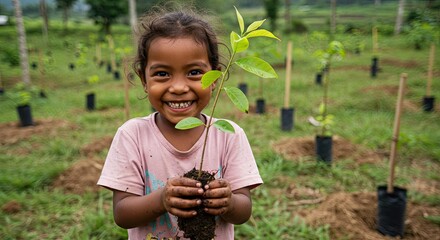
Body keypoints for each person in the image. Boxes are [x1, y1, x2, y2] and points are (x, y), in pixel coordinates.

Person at [97, 5, 263, 240]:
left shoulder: (229, 135)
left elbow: (244, 210)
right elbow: (122, 214)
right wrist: (161, 199)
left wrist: (229, 202)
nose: (178, 87)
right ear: (143, 78)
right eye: (162, 74)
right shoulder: (131, 135)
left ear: (215, 77)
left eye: (195, 72)